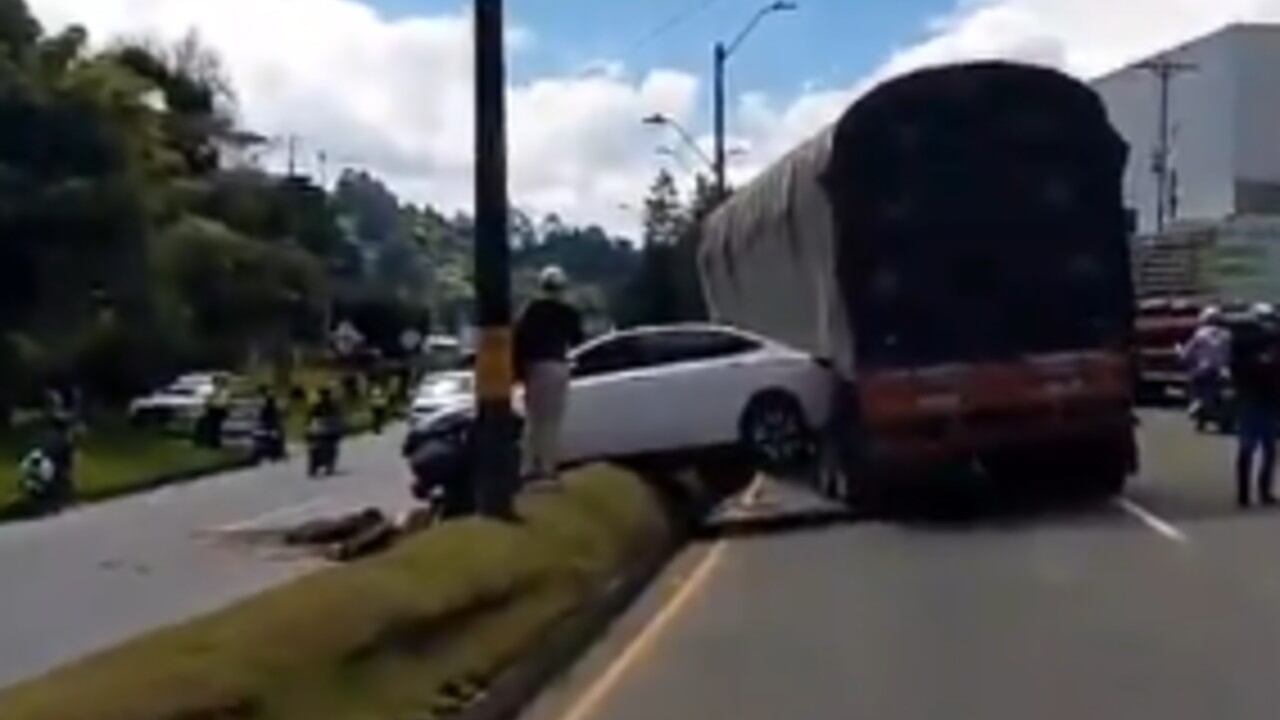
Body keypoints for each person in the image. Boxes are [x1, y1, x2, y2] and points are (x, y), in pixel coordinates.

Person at [514, 266, 585, 482]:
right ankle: (547, 467)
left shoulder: (532, 310)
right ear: (562, 287)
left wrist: (519, 370)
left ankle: (526, 468)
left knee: (533, 418)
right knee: (552, 420)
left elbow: (519, 339)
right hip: (557, 365)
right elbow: (578, 340)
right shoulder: (568, 312)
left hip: (535, 366)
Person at [1230, 303, 1280, 507]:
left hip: (1268, 401)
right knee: (1248, 448)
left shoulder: (1274, 347)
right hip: (1250, 400)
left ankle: (1264, 491)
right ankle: (1244, 493)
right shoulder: (1244, 343)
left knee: (1269, 449)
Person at [1180, 306, 1232, 431]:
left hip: (1202, 371)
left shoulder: (1199, 335)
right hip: (1222, 372)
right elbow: (1230, 354)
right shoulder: (1227, 335)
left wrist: (1182, 356)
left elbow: (1187, 353)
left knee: (1194, 387)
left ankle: (1196, 406)